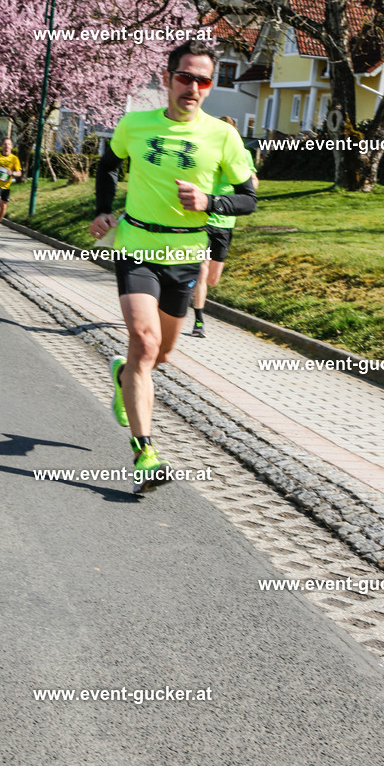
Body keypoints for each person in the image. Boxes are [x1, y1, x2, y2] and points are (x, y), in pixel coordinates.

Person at [91, 40, 257, 493]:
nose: (193, 87)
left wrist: (211, 201)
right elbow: (107, 165)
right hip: (137, 246)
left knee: (160, 355)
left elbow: (249, 197)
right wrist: (105, 209)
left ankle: (124, 376)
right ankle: (145, 452)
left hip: (185, 256)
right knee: (144, 343)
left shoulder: (223, 135)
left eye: (203, 79)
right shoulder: (135, 124)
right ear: (167, 79)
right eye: (185, 76)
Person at [191, 116, 259, 337]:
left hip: (226, 222)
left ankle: (186, 285)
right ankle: (198, 321)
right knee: (202, 271)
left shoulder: (243, 155)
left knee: (213, 278)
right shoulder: (206, 150)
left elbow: (253, 181)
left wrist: (249, 181)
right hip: (204, 220)